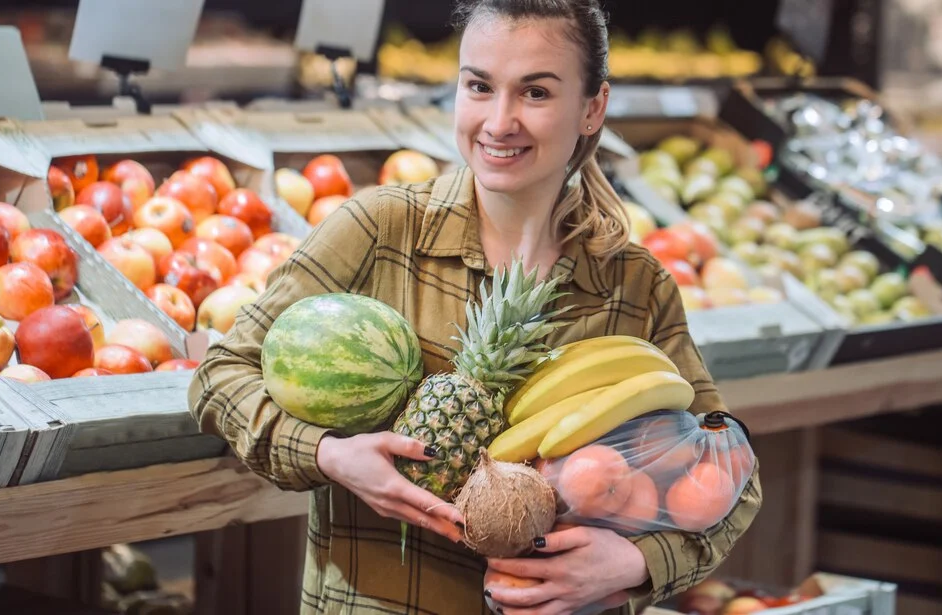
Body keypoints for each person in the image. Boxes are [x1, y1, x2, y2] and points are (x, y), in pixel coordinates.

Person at [188, 0, 763, 612]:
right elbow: (221, 376)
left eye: (536, 93)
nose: (499, 120)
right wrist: (331, 455)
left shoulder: (633, 285)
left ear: (593, 107)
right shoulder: (382, 231)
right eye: (479, 86)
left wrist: (637, 563)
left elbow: (732, 476)